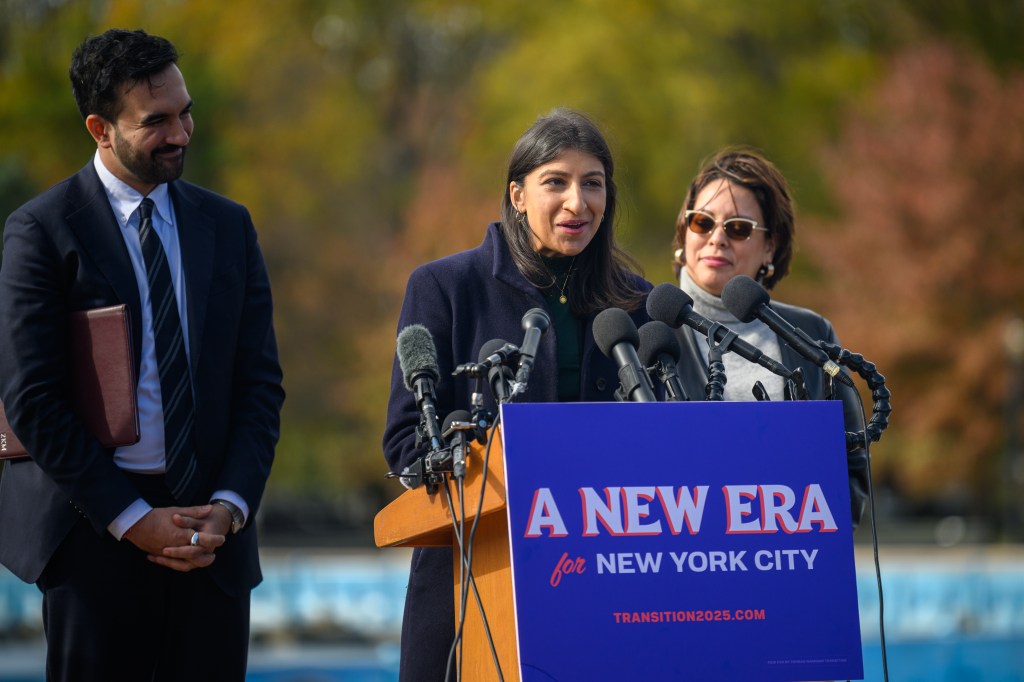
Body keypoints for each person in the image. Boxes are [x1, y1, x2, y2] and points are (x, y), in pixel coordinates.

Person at [0, 29, 284, 681]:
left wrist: (230, 507)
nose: (181, 133)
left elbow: (260, 386)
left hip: (213, 540)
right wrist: (132, 520)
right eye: (156, 122)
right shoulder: (41, 231)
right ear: (100, 128)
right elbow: (32, 402)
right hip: (91, 535)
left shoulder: (230, 225)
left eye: (185, 112)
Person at [382, 108, 651, 681]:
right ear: (518, 195)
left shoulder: (637, 301)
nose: (578, 202)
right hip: (472, 585)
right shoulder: (445, 287)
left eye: (593, 183)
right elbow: (406, 445)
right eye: (555, 182)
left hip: (604, 587)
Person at [669, 146, 868, 524]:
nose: (717, 238)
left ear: (770, 247)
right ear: (684, 233)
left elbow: (853, 477)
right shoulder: (644, 334)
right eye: (702, 222)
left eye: (738, 228)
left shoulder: (811, 333)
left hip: (789, 559)